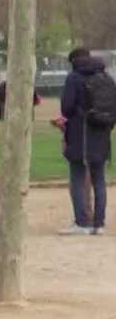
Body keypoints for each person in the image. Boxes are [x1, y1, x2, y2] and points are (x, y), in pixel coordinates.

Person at [59, 48, 111, 236]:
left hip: (80, 135)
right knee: (99, 180)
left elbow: (66, 107)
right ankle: (99, 223)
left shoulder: (74, 78)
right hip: (101, 135)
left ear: (74, 60)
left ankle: (82, 222)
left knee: (77, 179)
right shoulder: (106, 77)